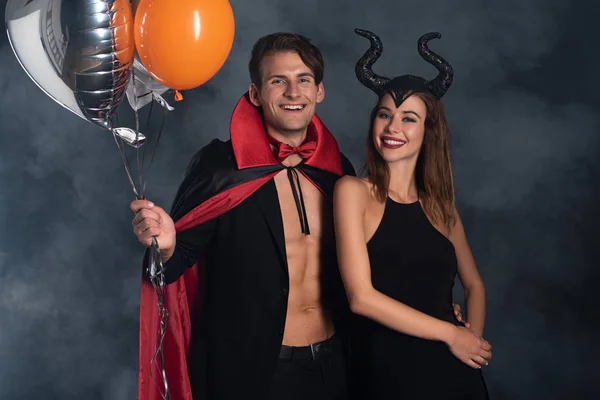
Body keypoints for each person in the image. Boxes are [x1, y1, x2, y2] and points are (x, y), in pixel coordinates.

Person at [131, 32, 356, 400]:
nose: (292, 92)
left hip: (333, 365)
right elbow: (175, 266)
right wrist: (169, 246)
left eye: (303, 80)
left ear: (319, 91)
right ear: (255, 93)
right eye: (277, 81)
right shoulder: (220, 166)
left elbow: (367, 259)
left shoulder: (337, 170)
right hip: (250, 373)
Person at [333, 29, 492, 399]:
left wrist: (472, 341)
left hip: (454, 374)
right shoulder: (352, 192)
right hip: (388, 374)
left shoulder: (442, 207)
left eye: (408, 118)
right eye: (385, 115)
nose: (392, 127)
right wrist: (452, 333)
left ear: (428, 131)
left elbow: (475, 286)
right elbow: (361, 298)